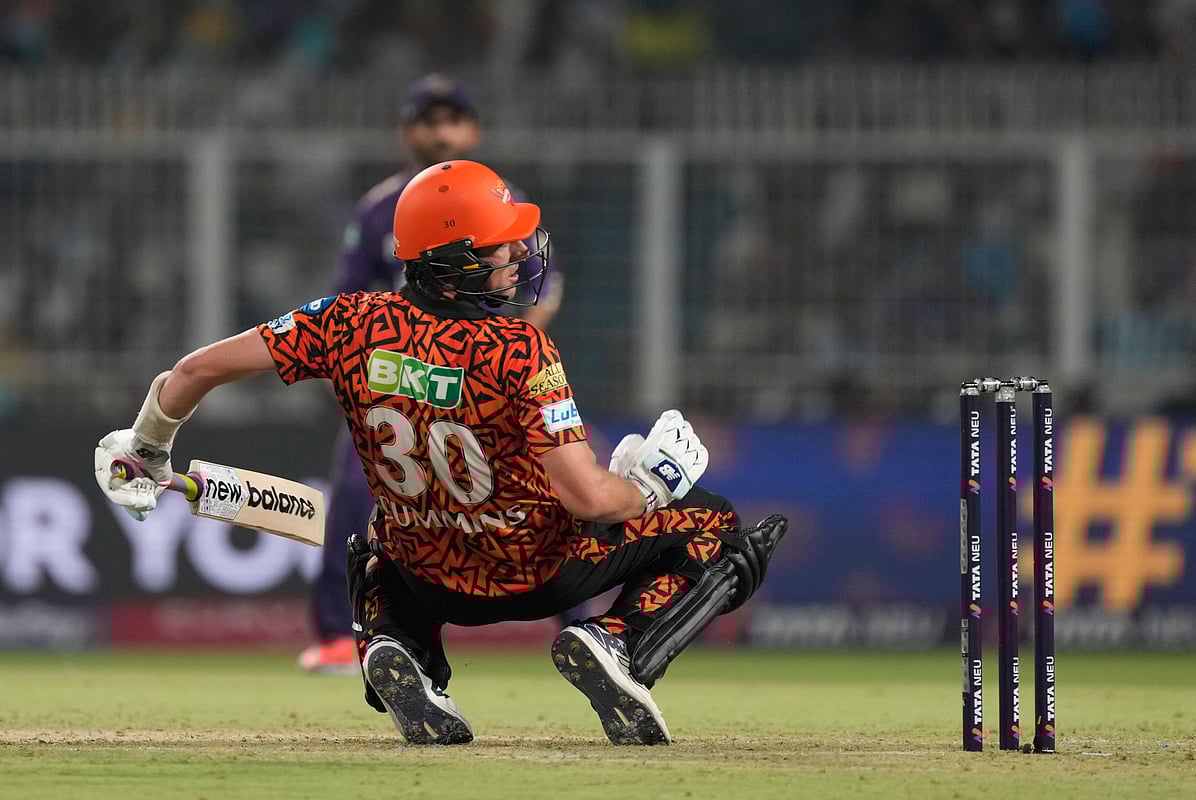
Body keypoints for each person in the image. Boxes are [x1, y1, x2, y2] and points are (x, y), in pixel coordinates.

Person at [93, 159, 786, 746]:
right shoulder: (519, 349)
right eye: (500, 247)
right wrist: (654, 484)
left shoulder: (346, 321)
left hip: (427, 571)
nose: (519, 256)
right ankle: (619, 644)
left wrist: (149, 447)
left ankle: (405, 650)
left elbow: (190, 373)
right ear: (453, 268)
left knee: (372, 547)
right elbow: (587, 500)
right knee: (716, 523)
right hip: (536, 570)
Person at [300, 73, 565, 674]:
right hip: (396, 380)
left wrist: (508, 368)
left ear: (473, 129)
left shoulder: (506, 201)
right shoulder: (378, 209)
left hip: (486, 382)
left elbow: (539, 296)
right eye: (428, 120)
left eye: (452, 120)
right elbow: (346, 299)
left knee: (551, 490)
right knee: (349, 497)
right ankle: (340, 636)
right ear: (407, 133)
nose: (440, 132)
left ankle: (584, 627)